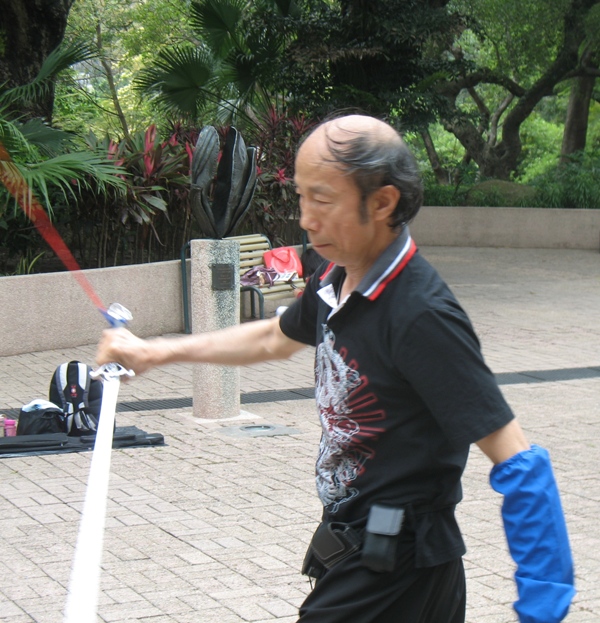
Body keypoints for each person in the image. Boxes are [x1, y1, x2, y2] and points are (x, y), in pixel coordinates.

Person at [96, 114, 575, 623]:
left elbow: (517, 460)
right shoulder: (335, 276)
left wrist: (542, 603)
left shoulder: (421, 316)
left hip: (398, 572)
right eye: (302, 196)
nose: (305, 217)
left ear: (383, 201)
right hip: (356, 549)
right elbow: (272, 338)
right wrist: (155, 352)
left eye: (322, 199)